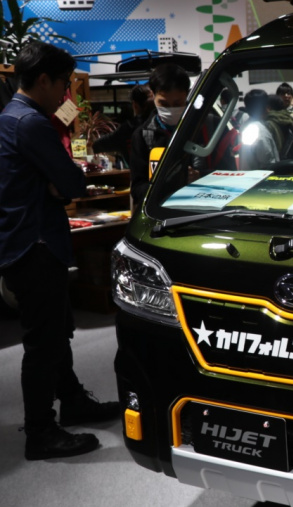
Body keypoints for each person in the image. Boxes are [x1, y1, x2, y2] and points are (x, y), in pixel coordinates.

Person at [0, 41, 118, 460]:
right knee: (43, 341)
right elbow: (73, 184)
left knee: (55, 330)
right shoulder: (30, 123)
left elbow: (60, 184)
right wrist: (60, 184)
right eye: (65, 83)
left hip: (25, 241)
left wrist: (57, 184)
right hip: (36, 244)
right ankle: (40, 432)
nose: (67, 93)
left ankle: (73, 400)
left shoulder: (10, 117)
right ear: (44, 80)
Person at [130, 63, 195, 209]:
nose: (171, 109)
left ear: (187, 94)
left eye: (177, 103)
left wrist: (200, 176)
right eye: (163, 103)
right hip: (161, 214)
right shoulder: (143, 136)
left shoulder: (206, 128)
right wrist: (163, 185)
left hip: (200, 212)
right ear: (152, 96)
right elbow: (137, 188)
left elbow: (229, 173)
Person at [91, 83, 154, 164]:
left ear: (134, 105)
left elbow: (98, 145)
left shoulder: (127, 129)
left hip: (139, 171)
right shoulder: (161, 122)